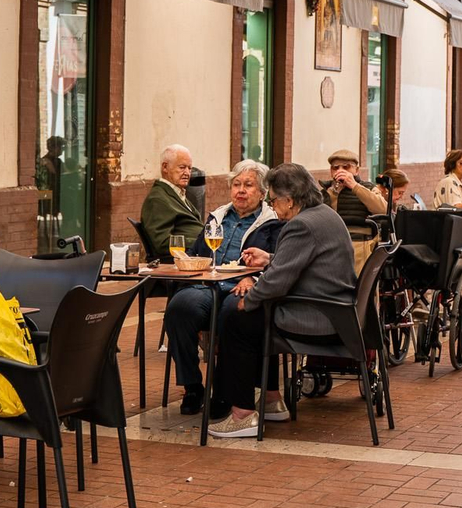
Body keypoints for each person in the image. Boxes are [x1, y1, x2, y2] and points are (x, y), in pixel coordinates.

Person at [208, 164, 355, 439]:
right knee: (255, 314)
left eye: (273, 200)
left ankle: (242, 415)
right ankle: (271, 400)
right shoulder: (324, 215)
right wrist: (270, 258)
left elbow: (277, 283)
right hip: (334, 309)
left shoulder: (300, 225)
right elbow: (300, 264)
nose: (272, 206)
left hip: (318, 316)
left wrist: (248, 299)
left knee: (236, 318)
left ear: (290, 199)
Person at [162, 160, 280, 416]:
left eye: (248, 185)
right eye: (236, 185)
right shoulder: (217, 217)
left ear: (262, 193)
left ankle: (225, 392)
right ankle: (192, 385)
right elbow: (195, 252)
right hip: (206, 285)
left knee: (233, 314)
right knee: (179, 308)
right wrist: (186, 262)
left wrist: (254, 279)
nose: (241, 190)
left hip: (240, 287)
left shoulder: (272, 223)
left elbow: (279, 261)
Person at [140, 144, 203, 258]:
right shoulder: (157, 199)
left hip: (197, 256)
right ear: (165, 167)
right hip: (183, 261)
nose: (187, 173)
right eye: (182, 167)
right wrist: (200, 243)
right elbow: (161, 243)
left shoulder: (176, 194)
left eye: (190, 168)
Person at [324, 149, 388, 241]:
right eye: (335, 168)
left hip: (359, 242)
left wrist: (354, 186)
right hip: (332, 241)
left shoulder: (368, 188)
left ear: (356, 170)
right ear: (331, 171)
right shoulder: (326, 191)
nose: (340, 171)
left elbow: (383, 210)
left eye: (346, 167)